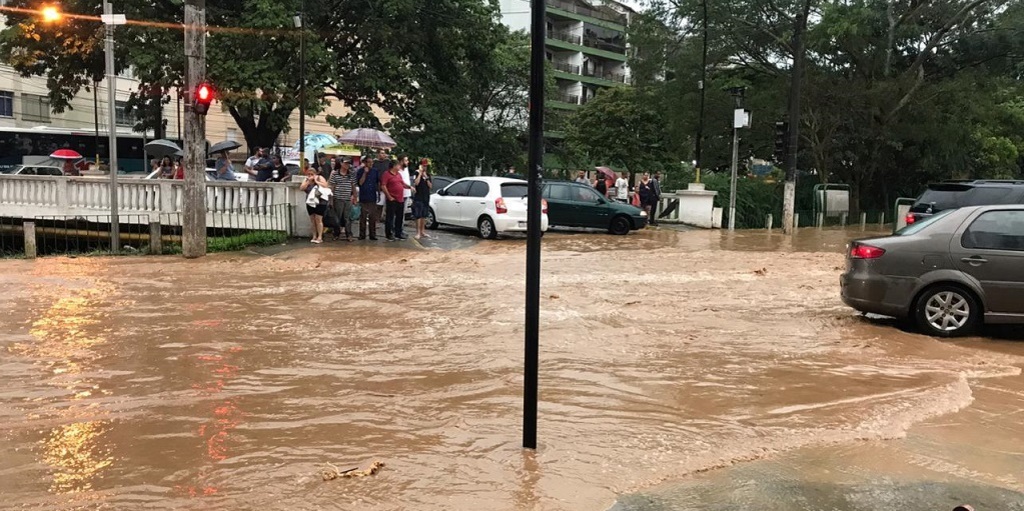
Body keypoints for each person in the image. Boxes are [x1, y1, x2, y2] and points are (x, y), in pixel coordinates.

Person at [328, 159, 358, 241]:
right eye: (346, 163)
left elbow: (353, 187)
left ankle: (349, 234)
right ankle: (336, 234)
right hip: (338, 198)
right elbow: (332, 187)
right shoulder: (335, 174)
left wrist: (355, 198)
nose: (347, 165)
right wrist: (331, 199)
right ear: (341, 163)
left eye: (349, 163)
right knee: (337, 217)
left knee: (347, 218)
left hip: (348, 199)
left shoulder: (351, 174)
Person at [357, 154, 384, 241]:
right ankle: (362, 234)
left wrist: (379, 193)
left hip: (372, 196)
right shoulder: (360, 171)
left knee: (372, 217)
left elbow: (378, 183)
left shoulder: (375, 171)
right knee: (363, 217)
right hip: (363, 196)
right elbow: (360, 183)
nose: (371, 164)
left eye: (371, 162)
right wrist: (365, 173)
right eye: (369, 162)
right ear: (365, 163)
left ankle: (373, 234)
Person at [300, 170, 332, 243]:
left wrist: (316, 181)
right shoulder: (306, 179)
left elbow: (325, 185)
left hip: (320, 202)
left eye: (312, 174)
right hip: (310, 202)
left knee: (318, 219)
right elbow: (302, 188)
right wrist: (308, 181)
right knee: (312, 220)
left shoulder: (320, 178)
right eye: (309, 174)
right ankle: (314, 236)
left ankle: (320, 236)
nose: (310, 175)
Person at [381, 159, 407, 240]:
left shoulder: (398, 174)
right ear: (394, 166)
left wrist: (409, 187)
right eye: (398, 165)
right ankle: (389, 234)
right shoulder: (387, 174)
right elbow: (383, 186)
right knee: (390, 217)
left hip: (400, 199)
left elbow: (402, 183)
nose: (400, 166)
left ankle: (398, 233)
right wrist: (389, 196)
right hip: (392, 198)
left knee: (399, 217)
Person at [411, 158, 432, 239]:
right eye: (423, 166)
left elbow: (430, 186)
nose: (425, 168)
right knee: (418, 215)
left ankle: (423, 231)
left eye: (426, 166)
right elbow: (416, 183)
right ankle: (418, 232)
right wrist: (420, 174)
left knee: (424, 215)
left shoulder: (428, 175)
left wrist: (426, 177)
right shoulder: (416, 173)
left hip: (426, 197)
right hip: (418, 197)